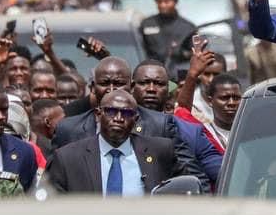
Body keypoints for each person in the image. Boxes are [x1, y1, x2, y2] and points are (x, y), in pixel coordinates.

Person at [52, 57, 205, 185]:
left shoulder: (160, 126)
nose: (111, 89)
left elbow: (192, 179)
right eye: (105, 83)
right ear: (92, 87)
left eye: (118, 84)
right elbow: (53, 184)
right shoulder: (69, 129)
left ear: (131, 87)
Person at [43, 89, 179, 195]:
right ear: (98, 114)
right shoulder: (68, 158)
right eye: (111, 112)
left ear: (136, 119)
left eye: (126, 114)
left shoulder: (160, 151)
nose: (118, 118)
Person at [134, 59, 221, 186]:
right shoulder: (116, 126)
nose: (151, 89)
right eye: (144, 83)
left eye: (158, 83)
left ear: (168, 89)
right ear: (131, 87)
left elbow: (220, 171)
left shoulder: (191, 132)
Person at [139, 0, 197, 70]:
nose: (163, 5)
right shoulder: (147, 24)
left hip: (178, 74)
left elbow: (195, 54)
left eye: (166, 1)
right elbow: (140, 49)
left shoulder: (188, 27)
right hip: (152, 72)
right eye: (160, 1)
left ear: (175, 1)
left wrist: (181, 54)